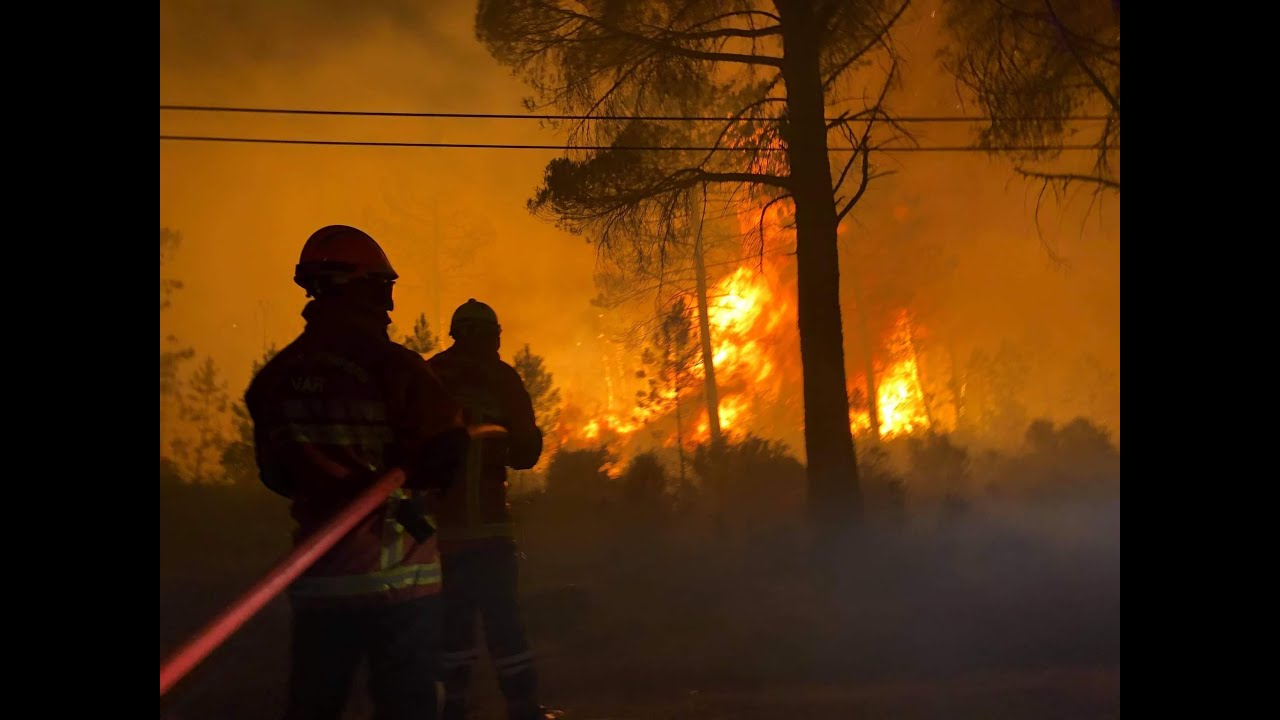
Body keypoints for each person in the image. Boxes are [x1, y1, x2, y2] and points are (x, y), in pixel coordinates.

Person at [245, 224, 468, 720]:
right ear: (358, 287)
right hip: (400, 587)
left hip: (320, 581)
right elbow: (448, 452)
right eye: (382, 290)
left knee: (315, 707)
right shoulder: (395, 367)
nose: (389, 308)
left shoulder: (274, 380)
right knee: (408, 708)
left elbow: (276, 476)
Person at [427, 299, 553, 720]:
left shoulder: (430, 375)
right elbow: (526, 453)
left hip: (438, 535)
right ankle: (522, 708)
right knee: (504, 625)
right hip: (491, 532)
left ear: (455, 333)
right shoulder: (502, 379)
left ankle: (452, 710)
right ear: (491, 335)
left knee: (451, 627)